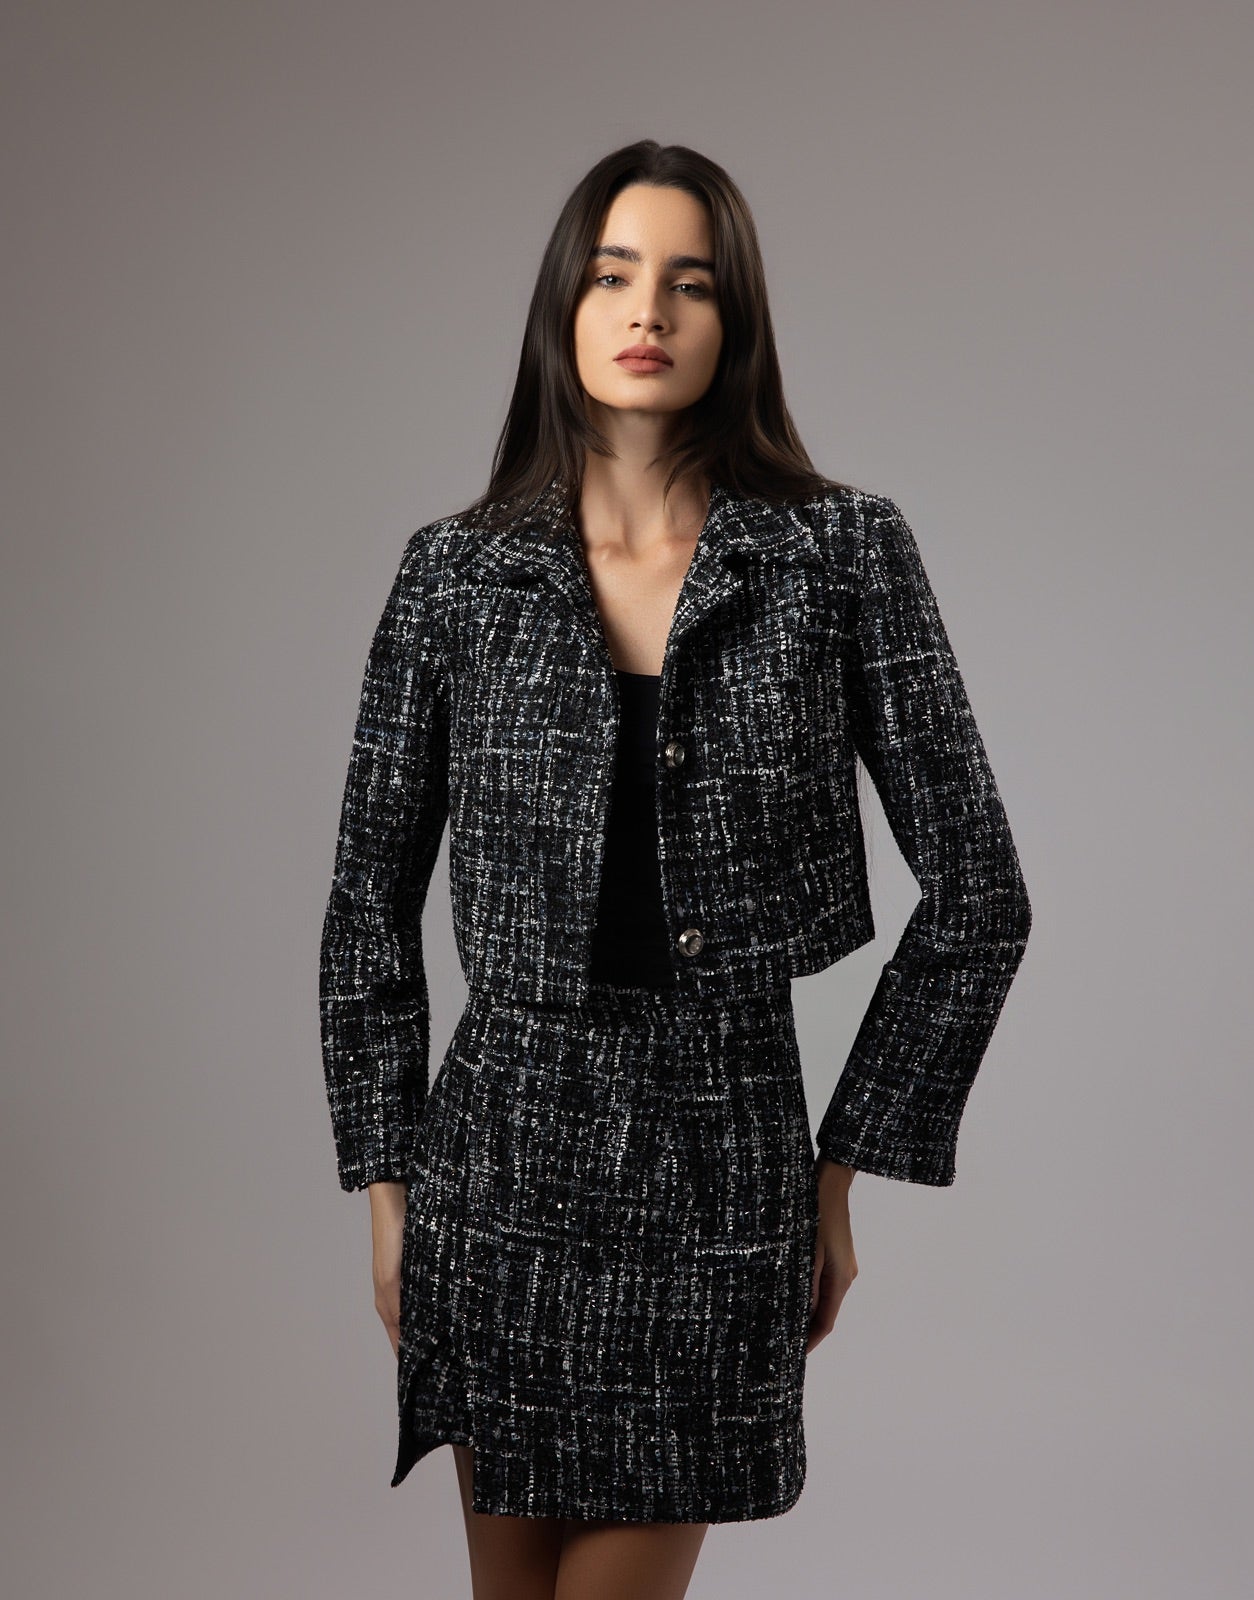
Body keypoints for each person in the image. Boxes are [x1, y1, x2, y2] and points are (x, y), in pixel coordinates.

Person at [319, 139, 1032, 1600]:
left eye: (690, 282)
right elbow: (365, 915)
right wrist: (388, 1196)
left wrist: (841, 1172)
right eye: (613, 275)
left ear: (735, 320)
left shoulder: (840, 556)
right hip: (500, 1169)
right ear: (564, 309)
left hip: (720, 1169)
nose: (648, 309)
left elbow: (982, 894)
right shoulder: (456, 576)